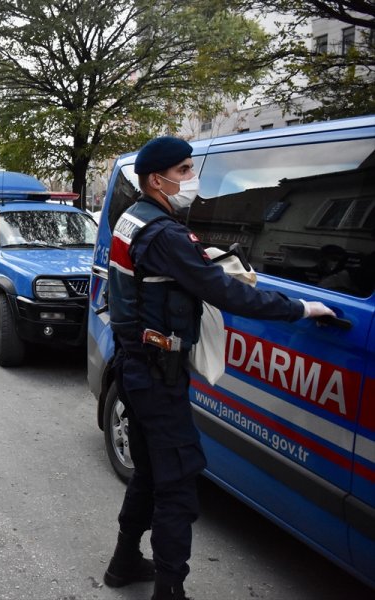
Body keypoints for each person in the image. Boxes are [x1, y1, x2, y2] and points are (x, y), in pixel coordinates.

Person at [103, 136, 335, 600]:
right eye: (184, 170)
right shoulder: (165, 233)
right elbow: (226, 293)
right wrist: (300, 308)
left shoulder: (134, 217)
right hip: (157, 373)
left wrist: (196, 261)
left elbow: (159, 273)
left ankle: (123, 563)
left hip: (134, 363)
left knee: (149, 471)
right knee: (177, 481)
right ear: (157, 180)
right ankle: (170, 590)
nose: (192, 178)